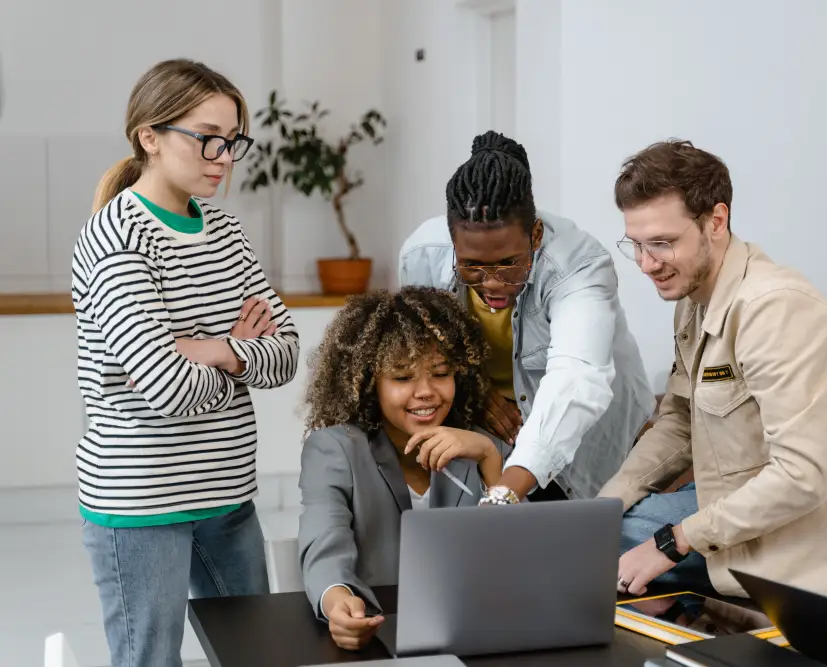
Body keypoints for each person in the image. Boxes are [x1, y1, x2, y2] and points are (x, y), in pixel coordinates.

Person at [72, 59, 300, 667]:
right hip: (141, 501)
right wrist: (234, 358)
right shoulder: (115, 238)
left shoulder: (225, 231)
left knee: (259, 654)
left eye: (232, 142)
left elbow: (287, 353)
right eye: (207, 138)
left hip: (227, 493)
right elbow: (165, 388)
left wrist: (213, 348)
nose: (223, 157)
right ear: (150, 136)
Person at [599, 139, 827, 599]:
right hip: (729, 500)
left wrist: (673, 543)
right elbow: (678, 421)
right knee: (591, 536)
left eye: (662, 243)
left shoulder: (777, 309)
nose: (646, 264)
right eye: (635, 245)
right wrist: (605, 506)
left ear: (716, 220)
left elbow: (802, 474)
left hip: (803, 538)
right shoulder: (693, 299)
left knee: (593, 556)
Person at [398, 131, 655, 504]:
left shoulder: (577, 267)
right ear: (453, 242)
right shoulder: (422, 255)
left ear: (535, 235)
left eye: (508, 264)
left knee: (583, 545)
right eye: (472, 266)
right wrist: (473, 388)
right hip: (492, 430)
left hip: (590, 439)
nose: (492, 284)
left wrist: (504, 494)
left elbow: (576, 378)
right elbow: (422, 351)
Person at [298, 286, 510, 650]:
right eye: (402, 377)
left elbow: (518, 560)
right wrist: (338, 605)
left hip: (476, 636)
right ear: (369, 383)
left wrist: (491, 460)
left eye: (440, 373)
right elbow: (324, 546)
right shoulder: (335, 450)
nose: (426, 391)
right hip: (381, 636)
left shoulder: (480, 445)